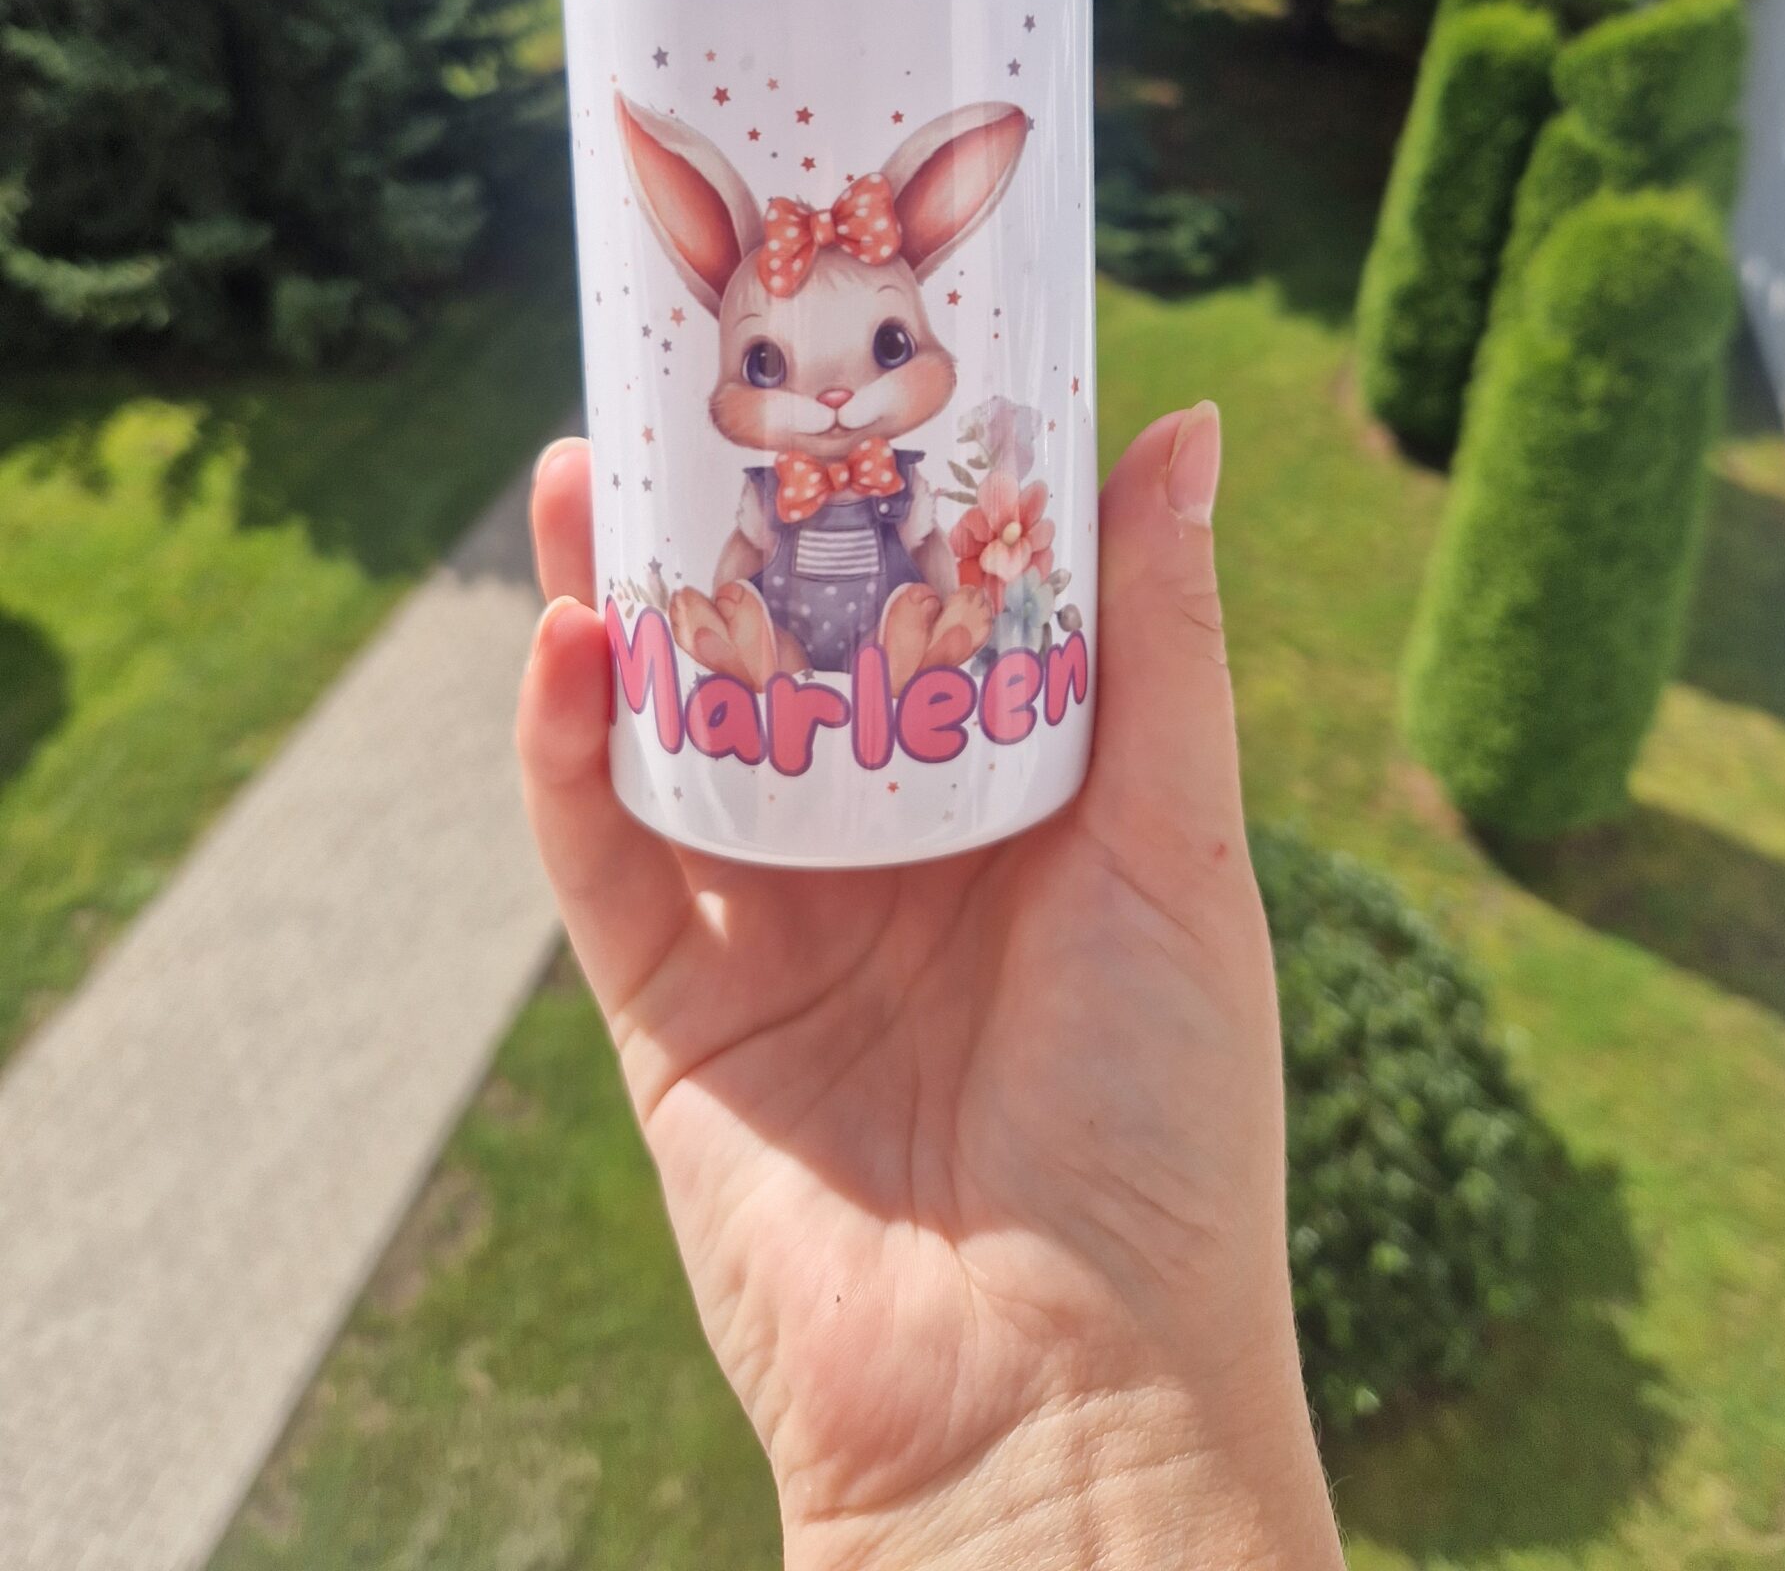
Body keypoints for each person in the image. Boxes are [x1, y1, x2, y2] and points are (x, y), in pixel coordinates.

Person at [517, 403, 1347, 1569]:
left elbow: (929, 551)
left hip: (912, 672)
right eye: (770, 364)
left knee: (915, 610)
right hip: (788, 660)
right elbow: (742, 549)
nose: (832, 398)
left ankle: (905, 661)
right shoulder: (765, 490)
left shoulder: (902, 481)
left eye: (887, 349)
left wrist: (1126, 1403)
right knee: (755, 614)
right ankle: (757, 661)